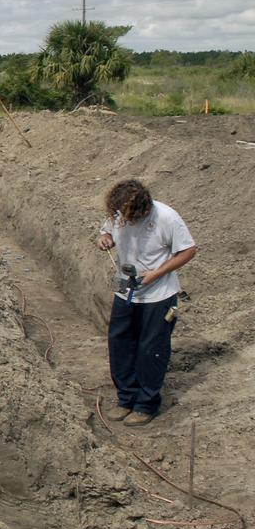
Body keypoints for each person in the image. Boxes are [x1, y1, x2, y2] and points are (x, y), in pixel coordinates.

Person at [98, 179, 197, 427]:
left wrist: (156, 274)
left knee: (151, 349)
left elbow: (188, 250)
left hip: (158, 294)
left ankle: (145, 404)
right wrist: (105, 238)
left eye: (131, 217)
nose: (126, 221)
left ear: (143, 209)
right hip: (125, 288)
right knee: (119, 343)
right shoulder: (119, 211)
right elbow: (107, 229)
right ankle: (126, 398)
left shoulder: (166, 218)